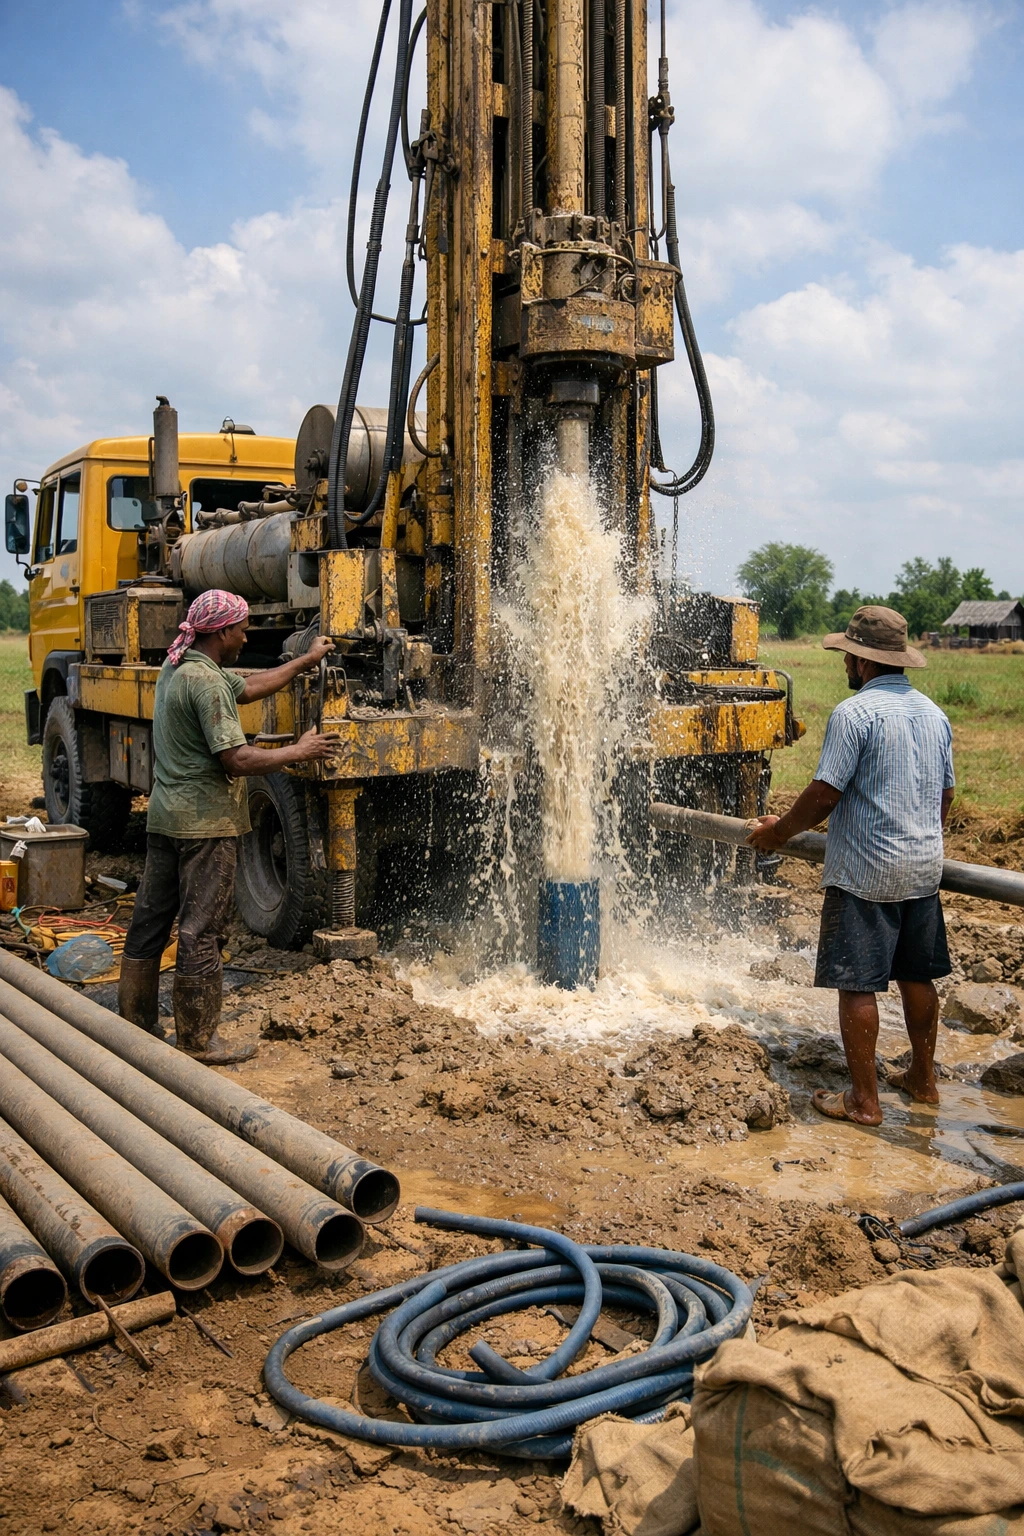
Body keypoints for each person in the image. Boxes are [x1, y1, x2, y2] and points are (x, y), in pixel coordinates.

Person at [747, 605, 955, 1126]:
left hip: (867, 871)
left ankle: (864, 1102)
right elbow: (945, 795)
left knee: (858, 984)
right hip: (923, 866)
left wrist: (776, 834)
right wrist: (920, 836)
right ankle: (923, 1081)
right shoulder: (934, 714)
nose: (844, 663)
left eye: (847, 655)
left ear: (861, 662)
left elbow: (822, 796)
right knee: (916, 976)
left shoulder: (854, 714)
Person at [118, 589, 339, 1064]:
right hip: (204, 826)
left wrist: (304, 661)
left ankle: (135, 1025)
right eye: (241, 628)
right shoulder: (208, 684)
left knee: (149, 925)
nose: (246, 636)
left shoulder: (179, 667)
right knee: (202, 932)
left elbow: (252, 687)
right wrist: (297, 752)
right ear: (221, 632)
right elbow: (236, 759)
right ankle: (200, 1041)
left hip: (165, 818)